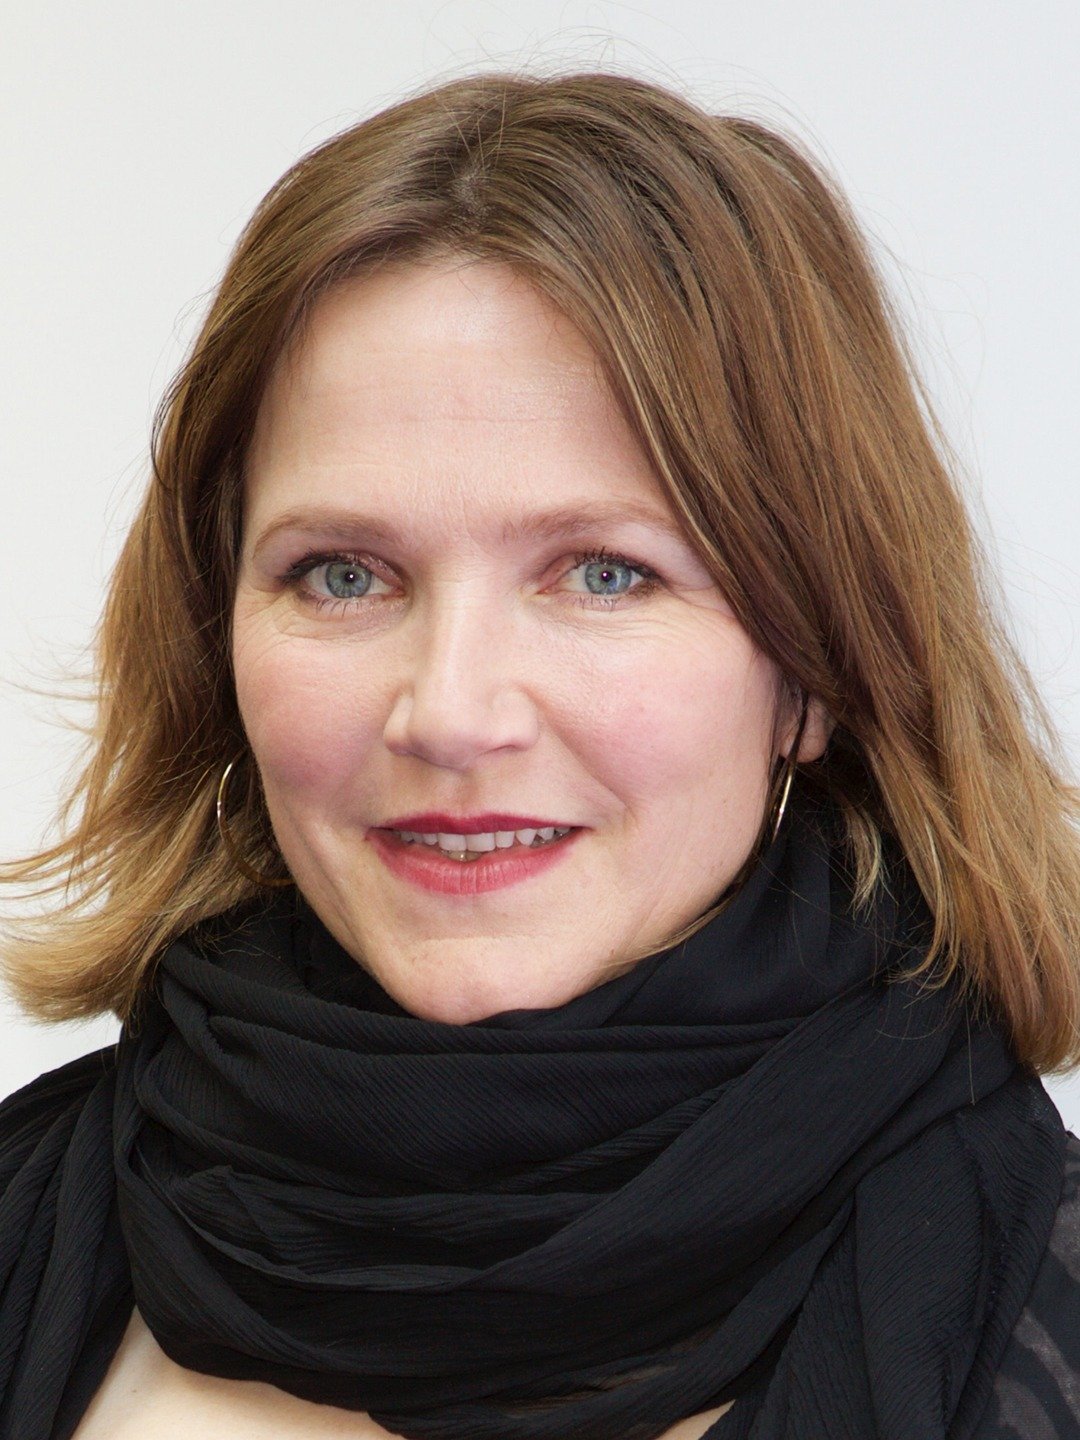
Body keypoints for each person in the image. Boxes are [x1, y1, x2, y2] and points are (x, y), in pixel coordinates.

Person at [1, 69, 1078, 1440]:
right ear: (219, 632)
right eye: (343, 575)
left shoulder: (1042, 1310)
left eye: (604, 575)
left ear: (813, 666)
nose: (450, 712)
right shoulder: (27, 1233)